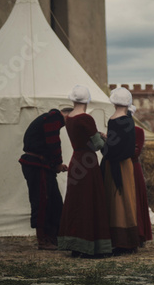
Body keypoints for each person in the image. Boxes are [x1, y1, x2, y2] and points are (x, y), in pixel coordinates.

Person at [57, 85, 112, 257]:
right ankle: (89, 247)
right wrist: (104, 139)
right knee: (89, 201)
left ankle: (75, 245)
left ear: (72, 100)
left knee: (76, 202)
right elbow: (96, 145)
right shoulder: (86, 119)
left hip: (76, 161)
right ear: (87, 100)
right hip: (88, 164)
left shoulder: (68, 118)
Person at [19, 107, 71, 250]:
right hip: (36, 165)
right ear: (67, 115)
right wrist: (58, 162)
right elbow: (53, 143)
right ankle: (43, 240)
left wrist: (54, 165)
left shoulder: (49, 119)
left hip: (42, 164)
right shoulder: (53, 118)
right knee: (41, 201)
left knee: (54, 201)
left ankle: (54, 238)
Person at [101, 87, 139, 254]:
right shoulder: (129, 120)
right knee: (127, 200)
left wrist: (104, 145)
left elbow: (113, 148)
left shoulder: (114, 120)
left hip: (116, 165)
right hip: (126, 164)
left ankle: (122, 242)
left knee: (117, 202)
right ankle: (130, 240)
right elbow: (124, 143)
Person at [129, 106, 153, 246]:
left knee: (136, 199)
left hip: (133, 167)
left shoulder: (138, 131)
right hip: (122, 167)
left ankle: (139, 233)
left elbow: (135, 152)